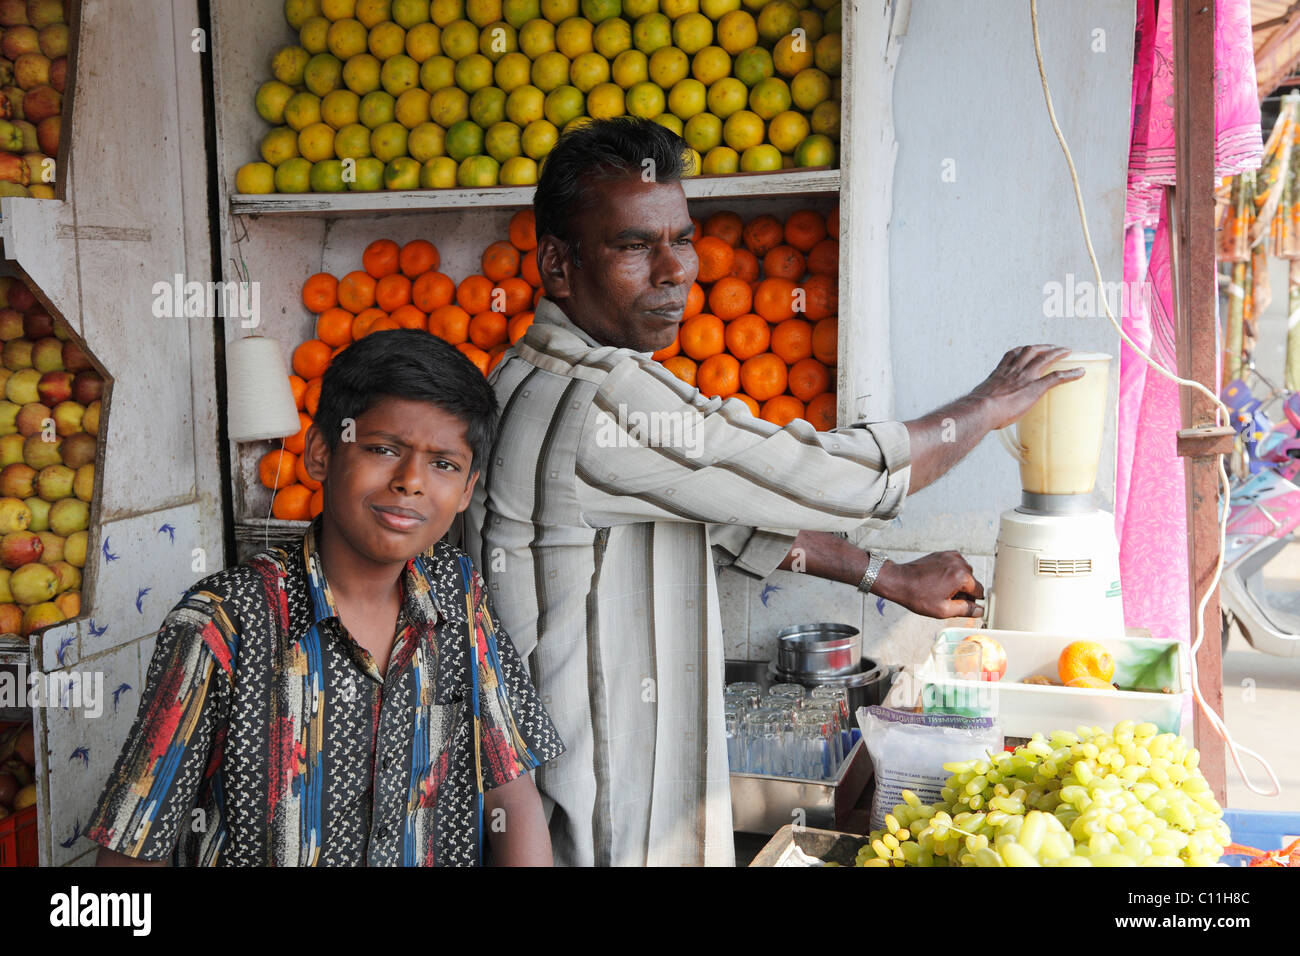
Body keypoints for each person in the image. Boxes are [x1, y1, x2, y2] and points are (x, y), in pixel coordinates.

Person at [464, 118, 1084, 866]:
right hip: (600, 824)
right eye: (634, 245)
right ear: (558, 266)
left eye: (682, 239)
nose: (673, 269)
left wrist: (884, 576)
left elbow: (723, 520)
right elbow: (829, 476)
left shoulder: (524, 372)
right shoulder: (602, 400)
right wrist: (982, 409)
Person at [87, 330, 564, 867]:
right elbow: (133, 845)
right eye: (383, 449)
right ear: (320, 453)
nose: (410, 481)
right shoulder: (223, 623)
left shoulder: (458, 592)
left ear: (467, 489)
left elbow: (510, 795)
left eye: (443, 464)